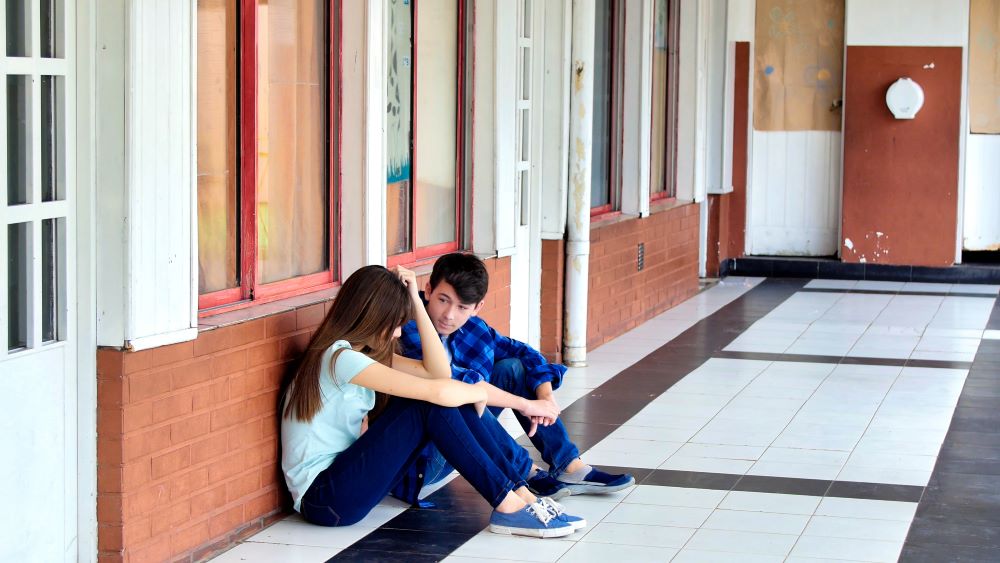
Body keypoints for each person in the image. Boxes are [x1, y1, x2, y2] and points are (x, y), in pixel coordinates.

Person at [280, 265, 585, 538]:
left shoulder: (362, 356)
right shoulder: (341, 358)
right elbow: (438, 391)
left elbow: (436, 373)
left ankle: (521, 495)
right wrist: (481, 392)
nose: (399, 331)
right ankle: (509, 504)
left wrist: (416, 300)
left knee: (443, 399)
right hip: (324, 499)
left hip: (343, 490)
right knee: (429, 404)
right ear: (372, 317)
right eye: (395, 322)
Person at [398, 253, 635, 501]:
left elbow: (526, 353)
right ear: (428, 290)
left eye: (462, 307)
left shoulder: (475, 329)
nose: (449, 315)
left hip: (467, 441)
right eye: (443, 300)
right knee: (462, 400)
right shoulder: (408, 330)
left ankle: (569, 466)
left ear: (477, 307)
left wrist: (545, 399)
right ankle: (527, 472)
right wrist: (526, 404)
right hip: (426, 459)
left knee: (513, 368)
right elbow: (457, 383)